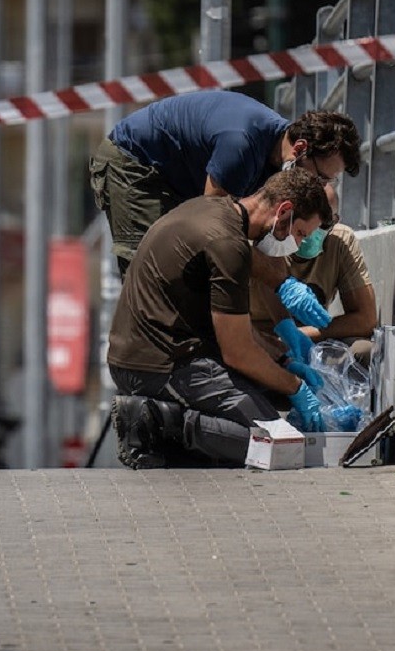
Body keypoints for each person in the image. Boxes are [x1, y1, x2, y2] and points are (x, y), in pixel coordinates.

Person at [105, 167, 334, 469]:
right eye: (299, 233)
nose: (296, 243)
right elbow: (237, 352)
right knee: (279, 445)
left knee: (269, 391)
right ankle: (157, 421)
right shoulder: (228, 245)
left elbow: (233, 328)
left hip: (158, 351)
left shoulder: (213, 208)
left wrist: (284, 363)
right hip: (156, 364)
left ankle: (180, 442)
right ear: (284, 211)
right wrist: (294, 386)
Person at [88, 90, 360, 278]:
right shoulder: (242, 146)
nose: (318, 185)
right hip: (137, 163)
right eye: (320, 176)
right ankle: (141, 357)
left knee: (192, 268)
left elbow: (264, 239)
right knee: (153, 271)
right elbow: (213, 228)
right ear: (300, 148)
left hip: (181, 179)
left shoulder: (279, 162)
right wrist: (279, 284)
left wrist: (283, 322)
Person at [250, 183, 378, 366]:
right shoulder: (262, 240)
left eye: (324, 223)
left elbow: (365, 320)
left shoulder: (340, 242)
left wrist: (300, 334)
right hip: (259, 339)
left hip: (313, 337)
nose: (312, 232)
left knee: (363, 351)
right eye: (306, 225)